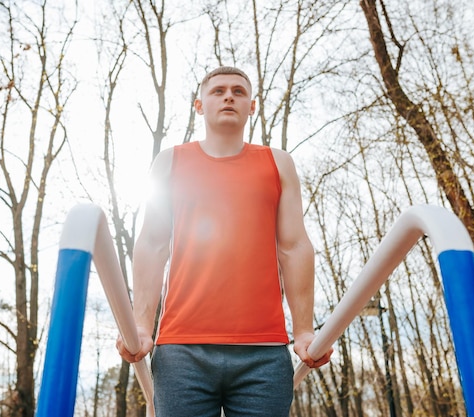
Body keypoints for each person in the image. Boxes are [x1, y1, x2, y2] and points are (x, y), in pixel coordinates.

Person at [116, 66, 332, 416]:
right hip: (181, 351)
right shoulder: (170, 161)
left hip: (264, 352)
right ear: (199, 105)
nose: (228, 96)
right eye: (217, 91)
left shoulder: (278, 163)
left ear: (253, 106)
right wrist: (141, 326)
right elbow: (153, 245)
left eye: (238, 91)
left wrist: (304, 331)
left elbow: (294, 247)